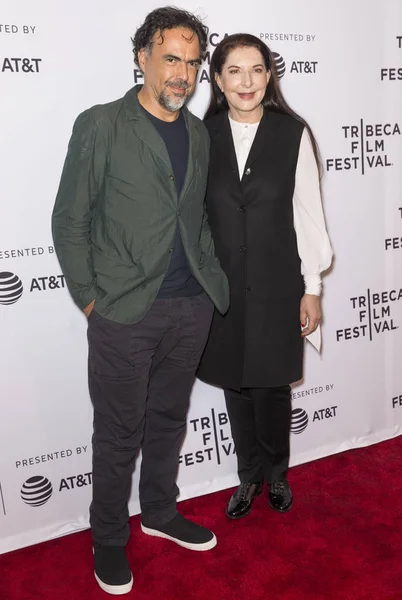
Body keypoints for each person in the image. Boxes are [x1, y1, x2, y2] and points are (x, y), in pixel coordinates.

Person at [52, 7, 229, 596]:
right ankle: (107, 538)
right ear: (142, 58)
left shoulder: (199, 131)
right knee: (118, 431)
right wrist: (89, 301)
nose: (183, 74)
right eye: (171, 58)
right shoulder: (101, 124)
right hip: (124, 312)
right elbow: (69, 220)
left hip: (189, 307)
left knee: (168, 421)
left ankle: (158, 510)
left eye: (193, 61)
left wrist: (207, 281)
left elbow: (196, 215)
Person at [197, 34, 333, 521]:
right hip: (223, 288)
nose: (246, 81)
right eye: (234, 71)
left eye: (256, 69)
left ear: (270, 75)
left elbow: (309, 214)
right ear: (217, 79)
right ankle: (248, 475)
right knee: (235, 385)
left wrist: (312, 288)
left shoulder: (291, 132)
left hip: (279, 285)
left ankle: (276, 473)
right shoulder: (202, 134)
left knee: (272, 385)